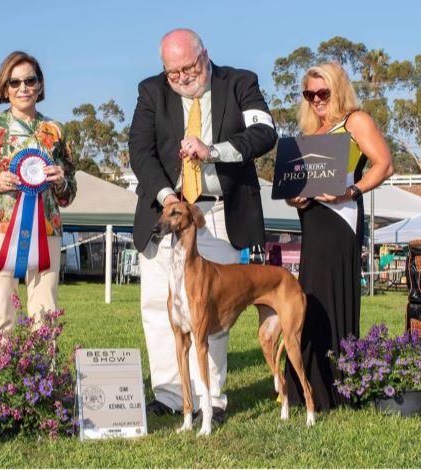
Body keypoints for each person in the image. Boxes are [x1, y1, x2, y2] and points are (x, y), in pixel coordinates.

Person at [129, 28, 277, 421]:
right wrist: (168, 199)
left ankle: (210, 399)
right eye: (172, 72)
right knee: (158, 306)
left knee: (211, 312)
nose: (181, 77)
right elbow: (140, 152)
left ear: (205, 55)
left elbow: (264, 133)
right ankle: (169, 396)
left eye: (188, 68)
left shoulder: (240, 83)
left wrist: (212, 151)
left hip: (217, 213)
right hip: (167, 211)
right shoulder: (150, 91)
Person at [284, 62, 393, 411]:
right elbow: (294, 184)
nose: (316, 99)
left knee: (332, 296)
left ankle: (338, 388)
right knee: (307, 299)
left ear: (338, 90)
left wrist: (351, 191)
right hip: (311, 221)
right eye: (309, 94)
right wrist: (294, 198)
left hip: (340, 219)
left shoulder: (355, 121)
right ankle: (304, 388)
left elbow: (384, 164)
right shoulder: (308, 133)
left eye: (323, 92)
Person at [0, 51, 76, 341]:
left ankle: (44, 370)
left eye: (30, 81)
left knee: (45, 314)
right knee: (1, 316)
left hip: (47, 230)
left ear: (40, 84)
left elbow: (69, 193)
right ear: (4, 87)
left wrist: (61, 181)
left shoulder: (57, 131)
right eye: (15, 82)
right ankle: (0, 371)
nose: (23, 88)